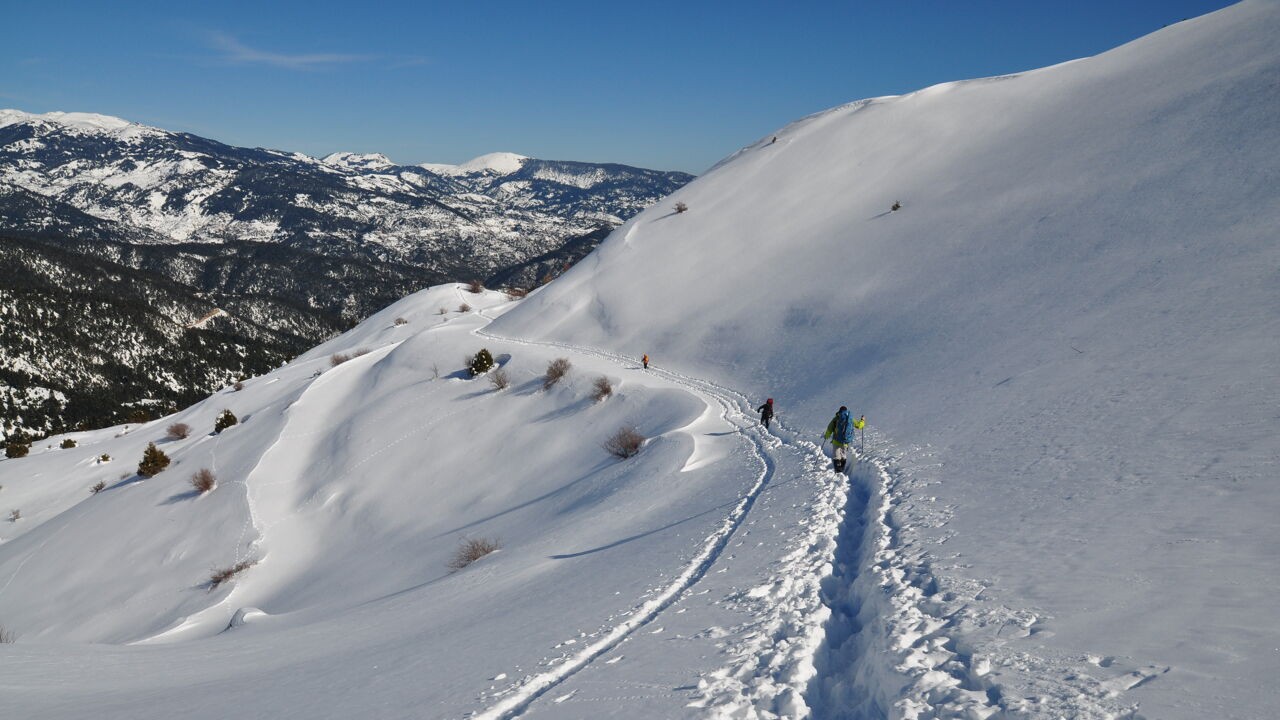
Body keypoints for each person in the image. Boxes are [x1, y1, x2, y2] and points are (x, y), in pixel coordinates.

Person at [823, 406, 855, 472]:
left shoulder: (836, 418)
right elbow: (859, 426)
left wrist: (826, 436)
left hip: (836, 441)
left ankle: (837, 470)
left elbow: (830, 428)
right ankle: (842, 469)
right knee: (843, 455)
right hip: (845, 441)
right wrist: (862, 421)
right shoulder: (850, 418)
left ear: (839, 411)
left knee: (836, 456)